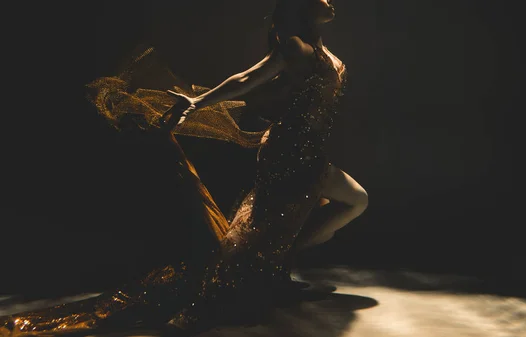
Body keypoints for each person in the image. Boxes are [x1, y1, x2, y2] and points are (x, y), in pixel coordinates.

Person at [0, 0, 367, 335]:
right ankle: (226, 290)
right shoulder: (294, 46)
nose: (330, 0)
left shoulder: (321, 52)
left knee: (319, 213)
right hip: (289, 151)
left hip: (307, 151)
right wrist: (197, 101)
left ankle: (269, 273)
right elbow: (246, 79)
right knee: (277, 226)